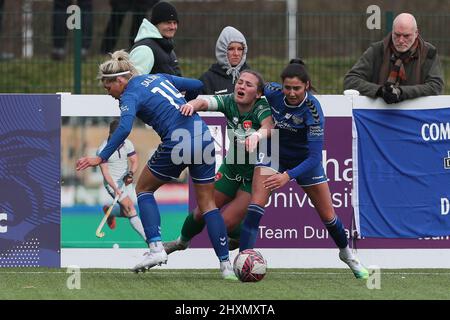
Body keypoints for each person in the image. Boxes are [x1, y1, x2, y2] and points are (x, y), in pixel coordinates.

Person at [76, 50, 236, 280]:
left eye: (108, 87)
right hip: (203, 136)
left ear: (120, 80)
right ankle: (225, 266)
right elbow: (197, 84)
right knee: (208, 205)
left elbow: (123, 128)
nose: (108, 93)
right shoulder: (160, 77)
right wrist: (188, 103)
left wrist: (101, 157)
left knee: (144, 190)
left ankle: (156, 249)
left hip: (179, 142)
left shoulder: (130, 94)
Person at [239, 59, 369, 279]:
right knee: (255, 207)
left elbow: (315, 157)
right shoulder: (272, 92)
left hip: (304, 161)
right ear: (281, 86)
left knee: (328, 216)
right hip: (274, 153)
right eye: (287, 88)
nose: (291, 93)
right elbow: (253, 89)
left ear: (307, 86)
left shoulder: (313, 110)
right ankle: (243, 260)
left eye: (297, 88)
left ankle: (347, 254)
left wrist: (286, 177)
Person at [163, 70, 274, 255]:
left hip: (257, 175)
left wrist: (256, 135)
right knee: (202, 211)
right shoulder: (229, 101)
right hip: (232, 167)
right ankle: (181, 242)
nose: (242, 86)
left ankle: (241, 238)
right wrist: (191, 105)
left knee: (223, 224)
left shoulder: (262, 106)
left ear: (258, 93)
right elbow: (205, 102)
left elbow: (269, 126)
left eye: (248, 84)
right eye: (240, 82)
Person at [344, 13, 444, 104]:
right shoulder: (377, 50)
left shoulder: (428, 52)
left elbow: (435, 86)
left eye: (406, 36)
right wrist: (380, 91)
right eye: (397, 35)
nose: (401, 40)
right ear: (392, 32)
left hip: (416, 116)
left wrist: (401, 92)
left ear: (416, 33)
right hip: (378, 114)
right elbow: (351, 80)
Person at [97, 119, 146, 243]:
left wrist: (130, 174)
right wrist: (115, 188)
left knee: (126, 212)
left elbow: (134, 161)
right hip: (112, 183)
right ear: (112, 134)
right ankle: (151, 241)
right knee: (130, 208)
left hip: (125, 181)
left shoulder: (127, 143)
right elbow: (105, 172)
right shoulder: (103, 149)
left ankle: (110, 211)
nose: (121, 139)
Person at [129, 1, 181, 76]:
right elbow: (133, 82)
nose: (173, 27)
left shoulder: (167, 46)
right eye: (168, 23)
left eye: (175, 23)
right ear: (156, 24)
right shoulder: (144, 49)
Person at [199, 26, 250, 95]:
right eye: (231, 49)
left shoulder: (252, 78)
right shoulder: (207, 80)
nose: (236, 54)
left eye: (240, 49)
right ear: (222, 50)